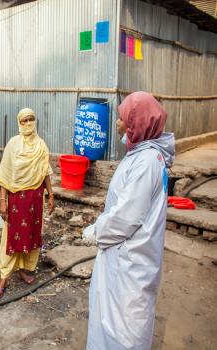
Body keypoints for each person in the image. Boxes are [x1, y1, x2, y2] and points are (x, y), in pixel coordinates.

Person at [86, 92, 175, 350]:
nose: (117, 123)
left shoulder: (146, 161)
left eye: (123, 118)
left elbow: (127, 217)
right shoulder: (141, 154)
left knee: (123, 326)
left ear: (138, 123)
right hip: (128, 256)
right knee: (115, 320)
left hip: (130, 260)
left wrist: (97, 230)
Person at [0, 108, 55, 299]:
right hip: (15, 199)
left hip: (35, 199)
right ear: (19, 123)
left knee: (31, 234)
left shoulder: (41, 145)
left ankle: (24, 268)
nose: (28, 123)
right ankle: (4, 276)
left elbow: (45, 172)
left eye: (31, 119)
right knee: (11, 237)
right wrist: (3, 201)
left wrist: (51, 195)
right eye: (24, 120)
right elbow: (4, 175)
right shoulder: (13, 145)